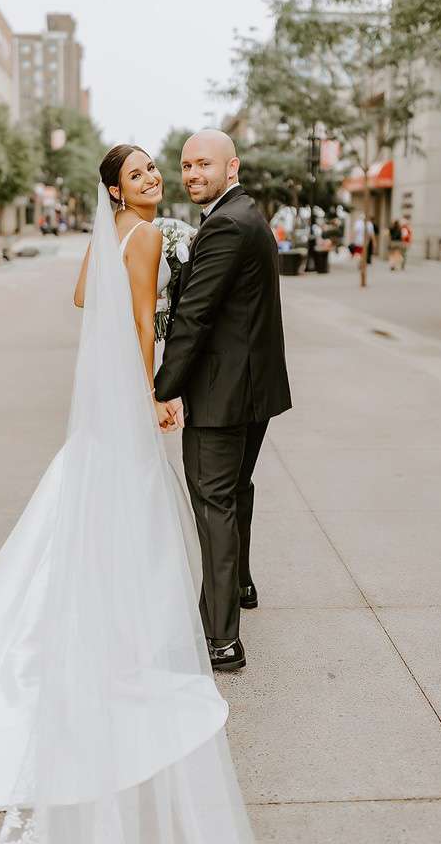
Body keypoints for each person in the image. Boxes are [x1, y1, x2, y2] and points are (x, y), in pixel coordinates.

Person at [0, 145, 255, 844]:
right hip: (127, 400)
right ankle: (120, 647)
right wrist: (155, 393)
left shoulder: (118, 234)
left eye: (156, 169)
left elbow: (83, 298)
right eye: (140, 176)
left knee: (85, 513)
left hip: (103, 407)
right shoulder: (151, 235)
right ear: (118, 193)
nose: (155, 179)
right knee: (129, 522)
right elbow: (132, 324)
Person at [154, 130, 292, 672]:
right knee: (235, 488)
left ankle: (222, 639)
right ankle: (241, 585)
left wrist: (162, 387)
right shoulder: (242, 215)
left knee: (213, 502)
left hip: (222, 391)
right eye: (186, 165)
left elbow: (195, 316)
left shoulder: (227, 225)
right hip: (253, 388)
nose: (192, 174)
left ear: (231, 166)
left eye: (203, 164)